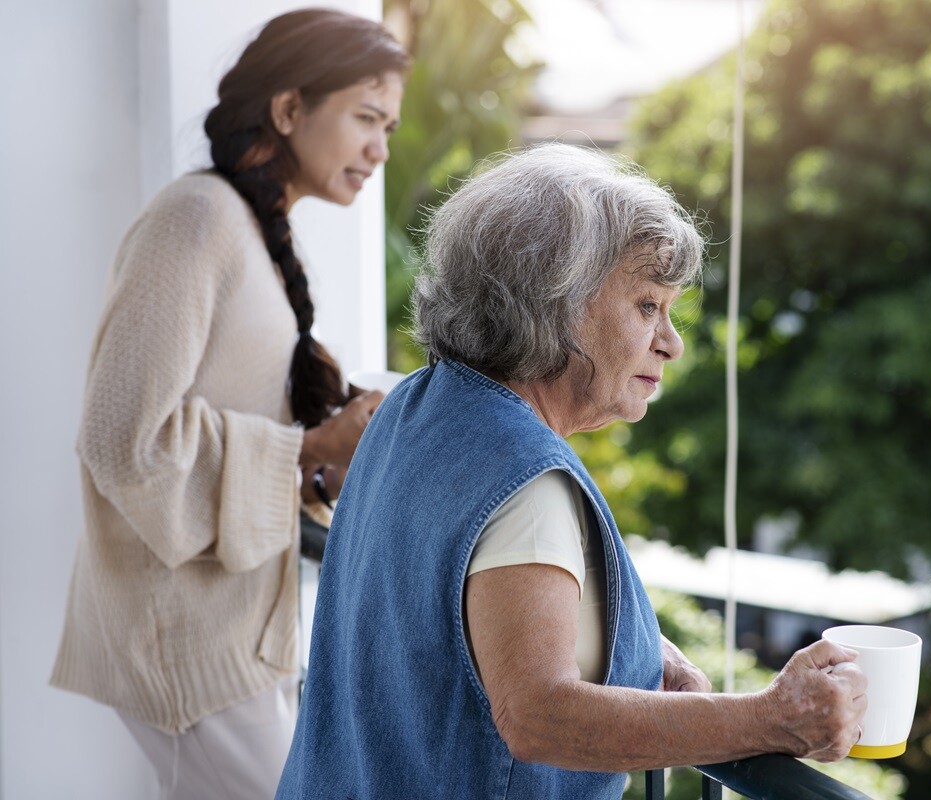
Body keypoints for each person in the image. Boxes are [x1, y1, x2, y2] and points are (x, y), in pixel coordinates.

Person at [274, 143, 867, 799]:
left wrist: (638, 650)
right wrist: (771, 718)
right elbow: (539, 717)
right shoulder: (524, 480)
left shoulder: (415, 406)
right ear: (555, 300)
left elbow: (457, 618)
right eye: (647, 306)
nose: (671, 342)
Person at [49, 9, 409, 799]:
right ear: (289, 110)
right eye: (367, 119)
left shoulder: (252, 229)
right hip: (185, 643)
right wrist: (313, 450)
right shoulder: (195, 217)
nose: (381, 148)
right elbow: (120, 436)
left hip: (237, 633)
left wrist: (324, 458)